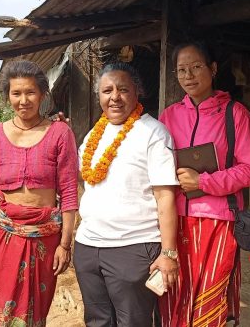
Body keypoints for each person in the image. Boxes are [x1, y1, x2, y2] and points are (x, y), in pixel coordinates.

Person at [159, 40, 250, 326]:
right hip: (176, 220)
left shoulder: (235, 114)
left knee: (210, 293)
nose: (188, 76)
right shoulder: (168, 116)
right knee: (176, 291)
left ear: (213, 69)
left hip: (219, 221)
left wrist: (204, 182)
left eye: (196, 67)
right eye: (181, 70)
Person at [0, 60, 79, 327]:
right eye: (16, 93)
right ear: (7, 96)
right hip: (0, 235)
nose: (23, 100)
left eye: (30, 92)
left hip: (44, 238)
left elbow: (68, 192)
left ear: (42, 94)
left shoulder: (60, 133)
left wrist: (65, 245)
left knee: (34, 313)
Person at [74, 62, 179, 327]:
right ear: (99, 95)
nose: (114, 97)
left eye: (123, 89)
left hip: (133, 248)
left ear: (137, 92)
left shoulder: (153, 133)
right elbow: (83, 183)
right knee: (97, 321)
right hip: (88, 247)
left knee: (133, 322)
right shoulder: (92, 137)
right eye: (107, 90)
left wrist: (168, 253)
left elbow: (165, 196)